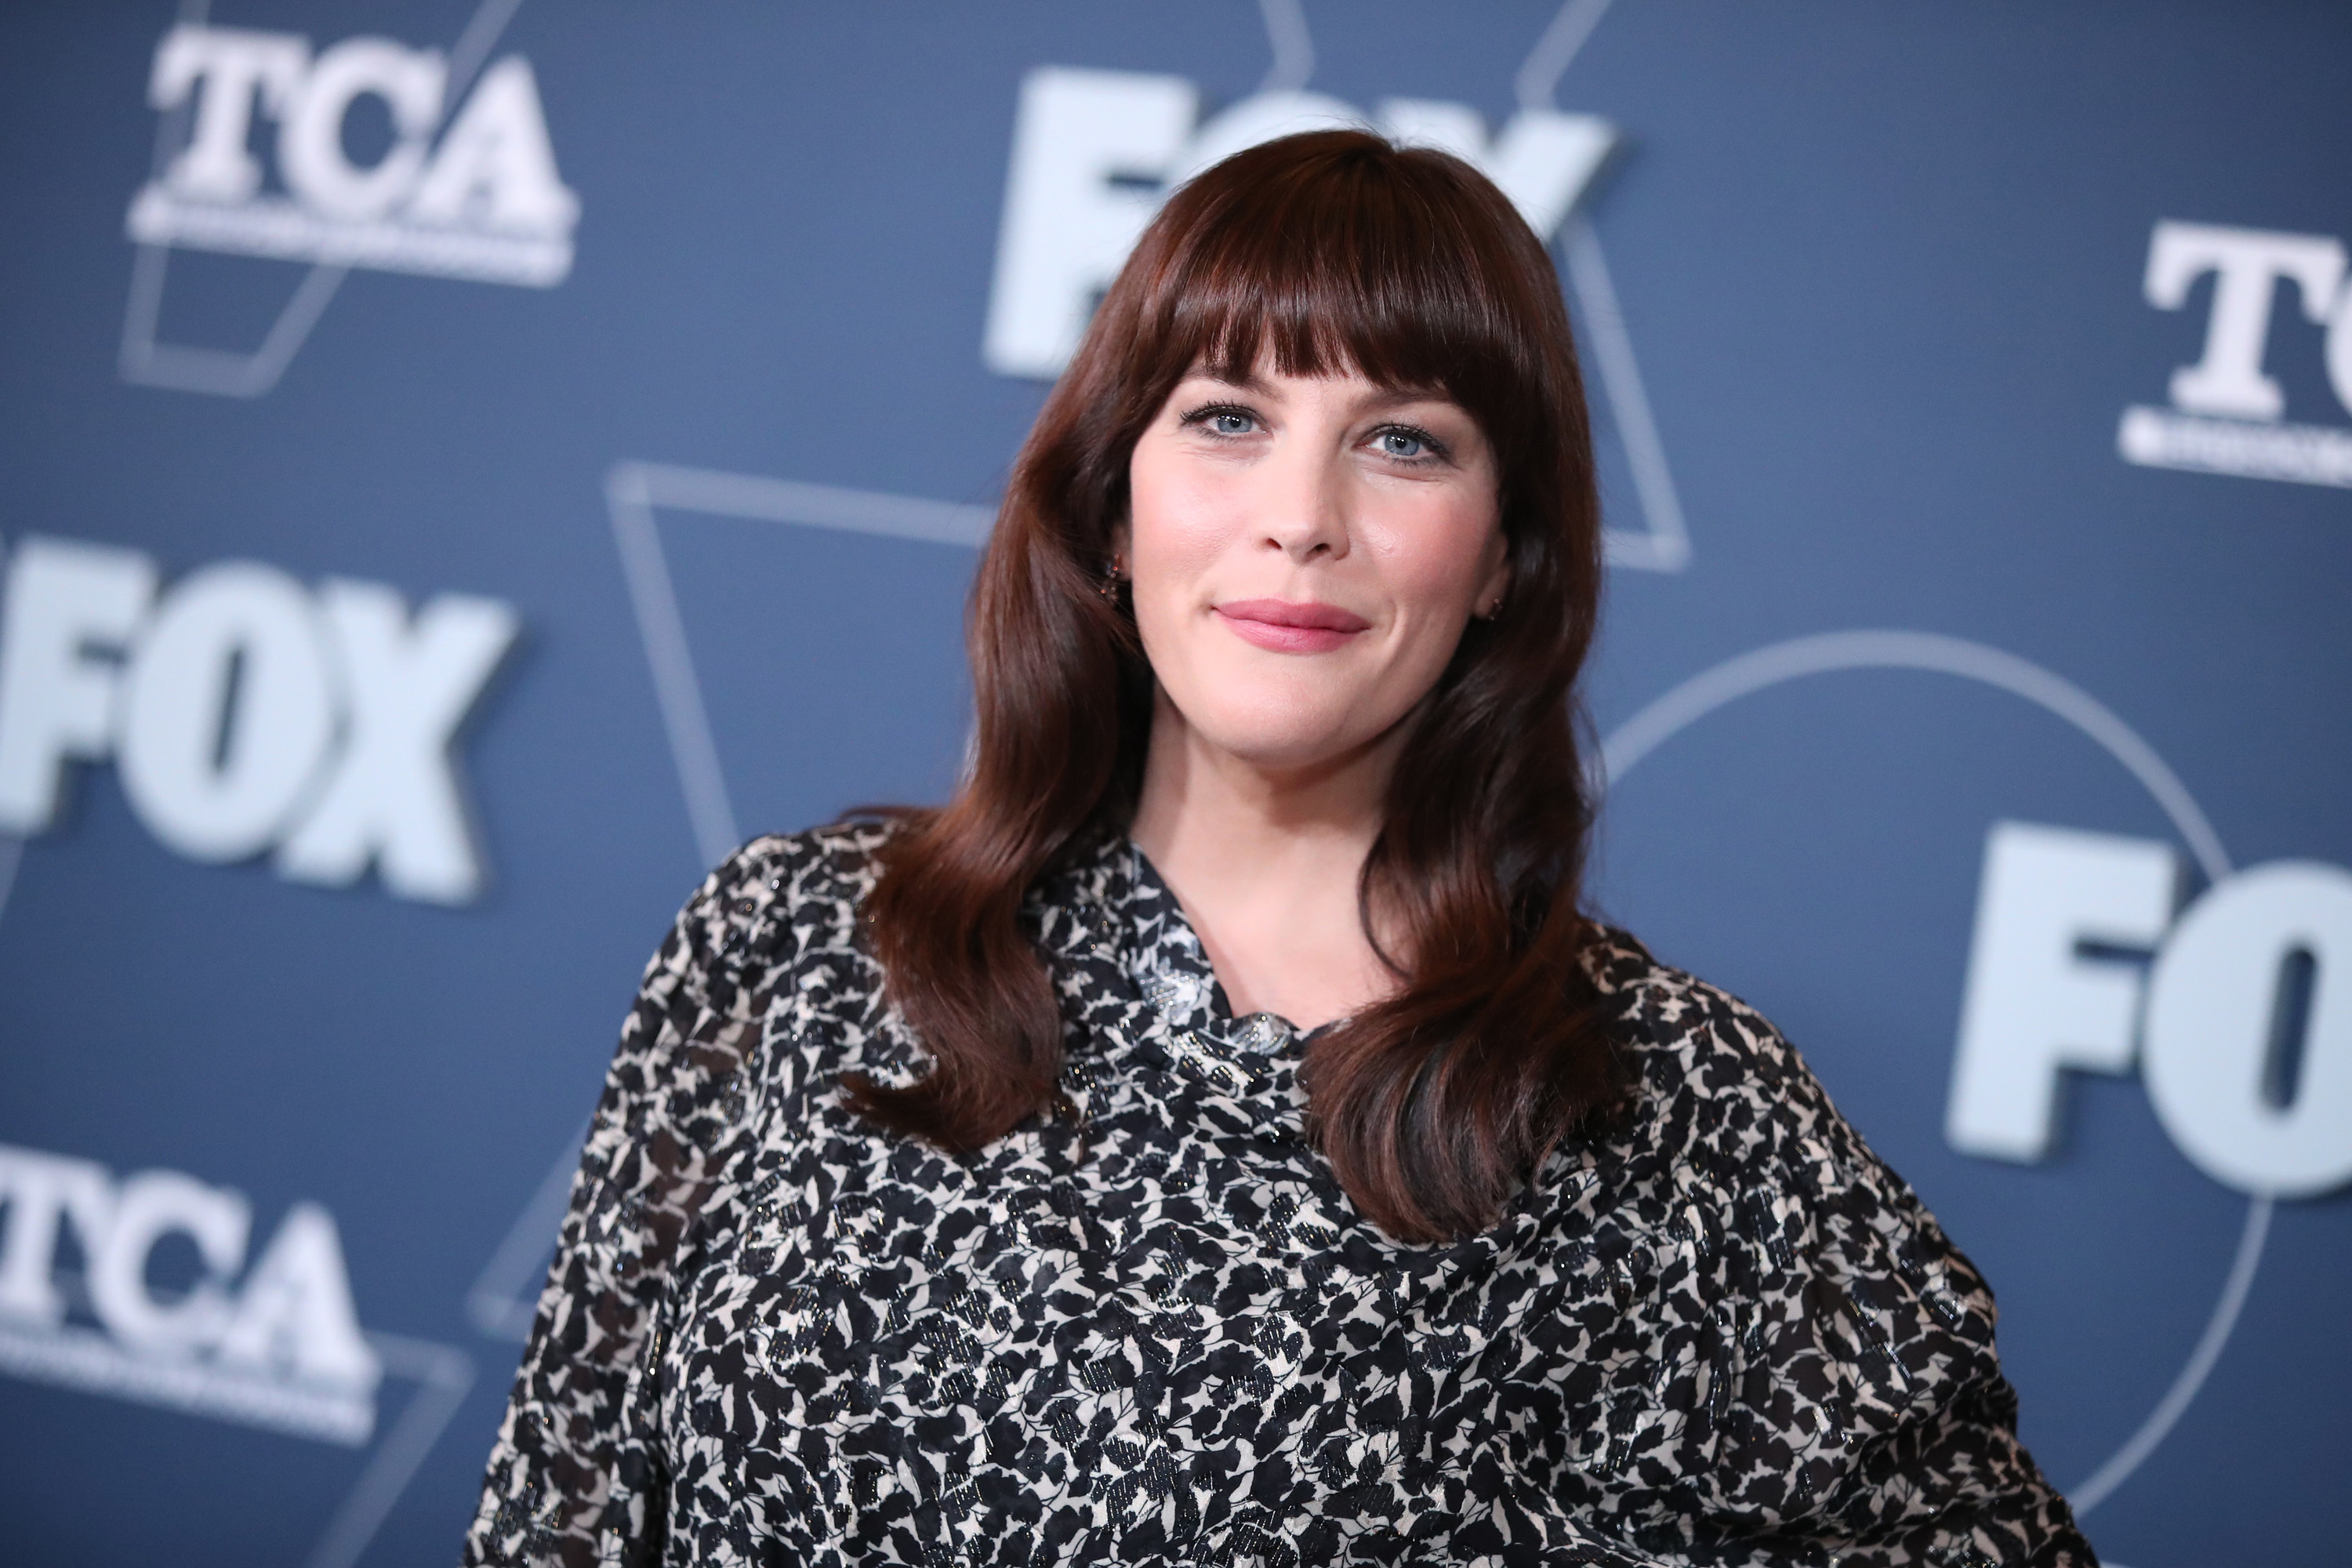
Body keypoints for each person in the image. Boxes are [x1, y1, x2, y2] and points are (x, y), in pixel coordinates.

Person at [465, 131, 2091, 1567]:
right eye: (1228, 415)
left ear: (1507, 554)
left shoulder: (1661, 1105)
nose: (1301, 512)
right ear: (1112, 512)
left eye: (1405, 441)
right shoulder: (794, 938)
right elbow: (561, 1509)